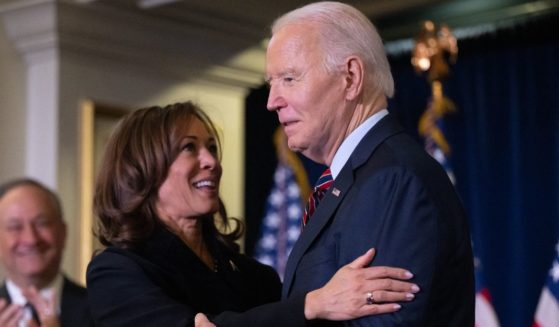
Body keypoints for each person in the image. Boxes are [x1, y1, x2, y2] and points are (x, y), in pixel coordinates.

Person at [86, 102, 419, 327]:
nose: (211, 162)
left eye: (212, 148)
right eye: (189, 148)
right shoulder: (116, 272)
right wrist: (311, 305)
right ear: (143, 169)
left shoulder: (254, 277)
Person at [262, 1, 475, 326]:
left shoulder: (391, 181)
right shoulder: (359, 179)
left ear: (350, 77)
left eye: (289, 79)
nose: (272, 102)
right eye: (271, 83)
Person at [0, 178, 94, 327]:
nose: (31, 239)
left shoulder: (102, 310)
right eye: (15, 227)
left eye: (42, 223)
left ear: (63, 233)